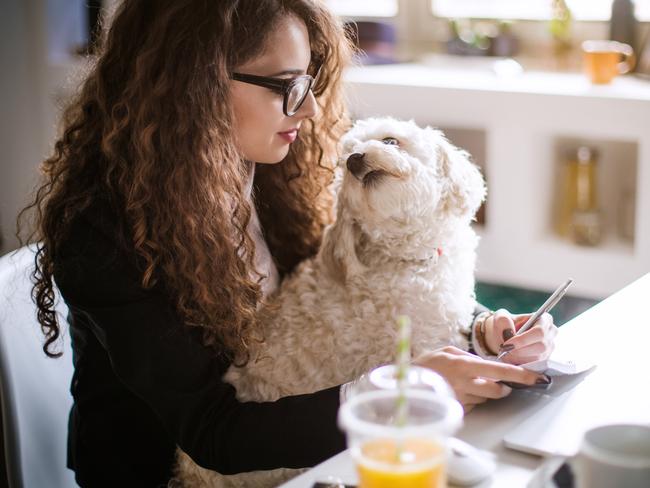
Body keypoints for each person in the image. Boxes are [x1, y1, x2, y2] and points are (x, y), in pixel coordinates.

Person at [19, 1, 556, 486]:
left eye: (309, 83)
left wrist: (482, 329)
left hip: (289, 449)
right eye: (286, 85)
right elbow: (215, 433)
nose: (311, 111)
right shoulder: (102, 233)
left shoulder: (276, 167)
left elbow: (371, 275)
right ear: (194, 85)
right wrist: (396, 392)